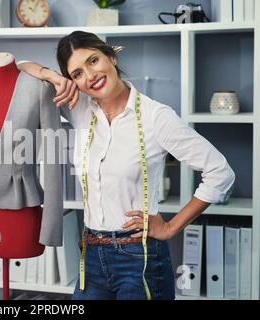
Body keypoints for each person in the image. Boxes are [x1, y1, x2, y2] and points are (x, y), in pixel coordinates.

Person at [17, 31, 235, 300]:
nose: (90, 75)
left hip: (139, 259)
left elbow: (220, 172)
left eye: (93, 61)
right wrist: (52, 77)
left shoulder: (156, 117)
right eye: (78, 74)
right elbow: (20, 67)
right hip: (91, 255)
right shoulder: (79, 107)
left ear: (111, 56)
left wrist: (170, 227)